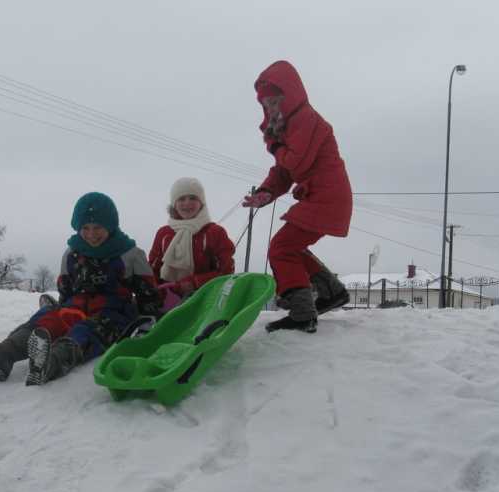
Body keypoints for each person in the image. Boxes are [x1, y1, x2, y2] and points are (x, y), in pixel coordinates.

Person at [0, 191, 161, 386]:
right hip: (74, 306)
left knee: (85, 332)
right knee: (47, 319)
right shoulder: (72, 253)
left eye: (98, 227)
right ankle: (4, 354)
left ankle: (51, 363)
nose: (91, 234)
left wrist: (149, 321)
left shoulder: (130, 253)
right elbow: (65, 285)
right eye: (85, 227)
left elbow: (147, 291)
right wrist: (59, 309)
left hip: (111, 313)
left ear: (111, 225)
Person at [242, 60, 352, 333]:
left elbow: (297, 163)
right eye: (266, 104)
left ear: (290, 96)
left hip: (327, 196)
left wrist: (275, 144)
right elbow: (283, 171)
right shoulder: (289, 128)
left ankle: (303, 313)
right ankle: (331, 292)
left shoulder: (306, 120)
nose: (271, 108)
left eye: (276, 100)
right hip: (322, 196)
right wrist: (266, 193)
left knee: (281, 247)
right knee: (288, 246)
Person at [148, 177, 235, 307]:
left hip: (205, 300)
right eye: (181, 199)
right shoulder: (164, 233)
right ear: (174, 204)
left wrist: (195, 282)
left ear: (201, 203)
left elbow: (226, 270)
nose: (187, 203)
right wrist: (154, 293)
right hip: (168, 301)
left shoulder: (215, 232)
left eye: (193, 198)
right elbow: (153, 269)